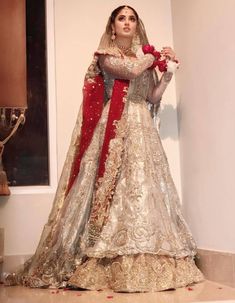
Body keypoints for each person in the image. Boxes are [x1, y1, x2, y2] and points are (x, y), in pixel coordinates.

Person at [6, 5, 203, 292]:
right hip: (114, 130)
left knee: (144, 189)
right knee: (113, 189)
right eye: (121, 18)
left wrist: (168, 73)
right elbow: (133, 70)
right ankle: (104, 254)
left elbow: (151, 95)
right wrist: (155, 56)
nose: (127, 23)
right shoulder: (106, 56)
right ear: (113, 26)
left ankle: (148, 248)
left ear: (137, 25)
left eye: (132, 19)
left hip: (142, 128)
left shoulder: (142, 57)